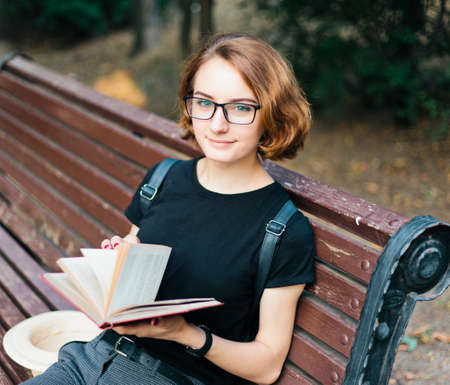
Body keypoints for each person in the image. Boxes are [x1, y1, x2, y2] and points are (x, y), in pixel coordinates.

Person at [23, 33, 315, 385]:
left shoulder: (283, 229)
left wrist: (186, 334)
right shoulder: (164, 178)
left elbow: (267, 366)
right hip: (92, 358)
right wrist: (117, 265)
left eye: (240, 107)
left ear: (271, 114)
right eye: (204, 103)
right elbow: (132, 253)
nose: (217, 124)